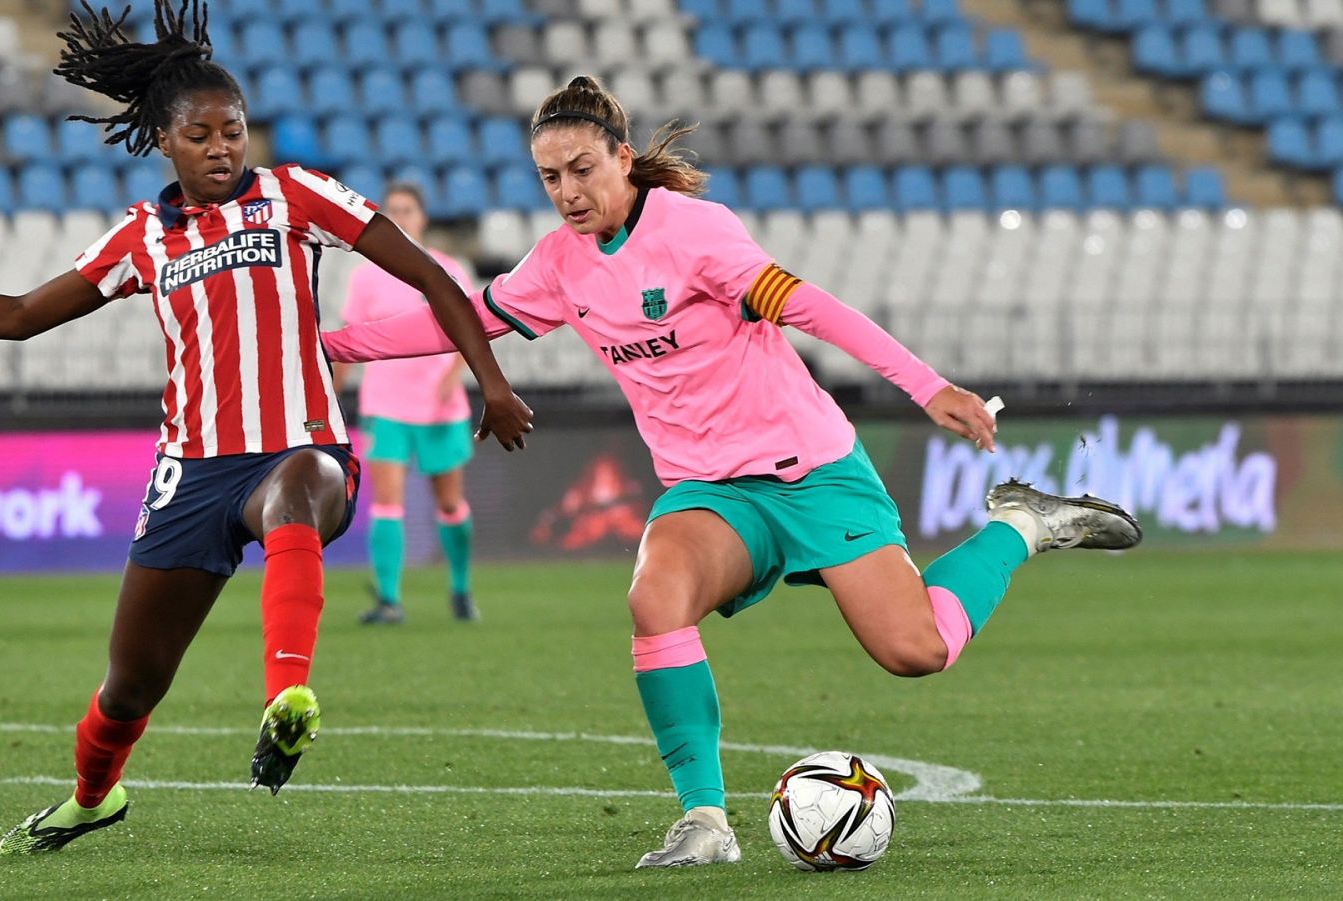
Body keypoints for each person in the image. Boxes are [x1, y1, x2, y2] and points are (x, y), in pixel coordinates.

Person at [321, 75, 1142, 869]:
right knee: (655, 594)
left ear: (621, 155)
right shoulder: (559, 264)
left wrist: (928, 387)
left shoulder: (695, 232)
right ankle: (704, 817)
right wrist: (323, 346)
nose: (567, 192)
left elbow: (812, 306)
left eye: (581, 170)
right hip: (712, 493)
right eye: (548, 178)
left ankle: (1022, 524)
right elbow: (455, 319)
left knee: (916, 650)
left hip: (812, 471)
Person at [0, 0, 531, 855]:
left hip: (296, 442)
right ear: (166, 140)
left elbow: (430, 275)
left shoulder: (295, 196)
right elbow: (18, 314)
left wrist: (491, 383)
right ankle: (93, 797)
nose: (222, 148)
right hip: (190, 470)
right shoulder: (140, 236)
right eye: (201, 135)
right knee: (129, 687)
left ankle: (287, 697)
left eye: (232, 131)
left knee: (299, 491)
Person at [331, 182, 480, 624]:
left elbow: (471, 333)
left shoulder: (449, 269)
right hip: (386, 404)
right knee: (387, 503)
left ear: (422, 217)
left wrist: (451, 378)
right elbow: (348, 339)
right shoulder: (366, 277)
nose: (400, 217)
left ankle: (460, 587)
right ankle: (389, 600)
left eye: (407, 209)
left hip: (440, 408)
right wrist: (331, 395)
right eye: (391, 210)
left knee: (450, 504)